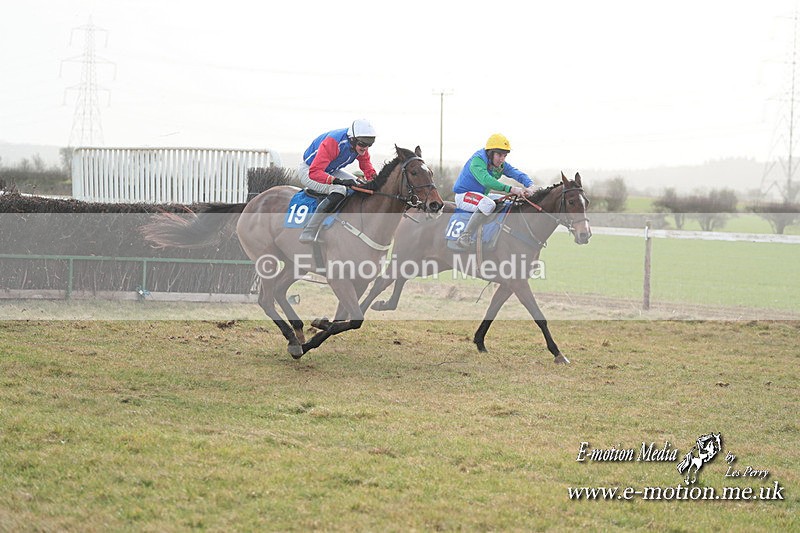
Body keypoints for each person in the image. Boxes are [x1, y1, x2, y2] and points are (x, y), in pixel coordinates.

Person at [298, 119, 379, 243]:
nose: (365, 148)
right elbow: (314, 172)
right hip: (309, 171)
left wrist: (376, 181)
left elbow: (366, 166)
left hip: (330, 170)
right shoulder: (334, 142)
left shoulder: (359, 145)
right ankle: (309, 231)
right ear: (352, 139)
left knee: (360, 185)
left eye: (369, 144)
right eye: (363, 144)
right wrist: (338, 181)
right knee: (340, 189)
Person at [452, 133, 536, 248]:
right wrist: (511, 189)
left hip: (481, 195)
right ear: (490, 153)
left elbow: (516, 173)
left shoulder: (500, 164)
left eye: (505, 156)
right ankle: (465, 236)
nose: (502, 159)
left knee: (509, 203)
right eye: (499, 155)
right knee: (488, 205)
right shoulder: (477, 161)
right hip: (464, 195)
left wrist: (530, 185)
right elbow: (487, 181)